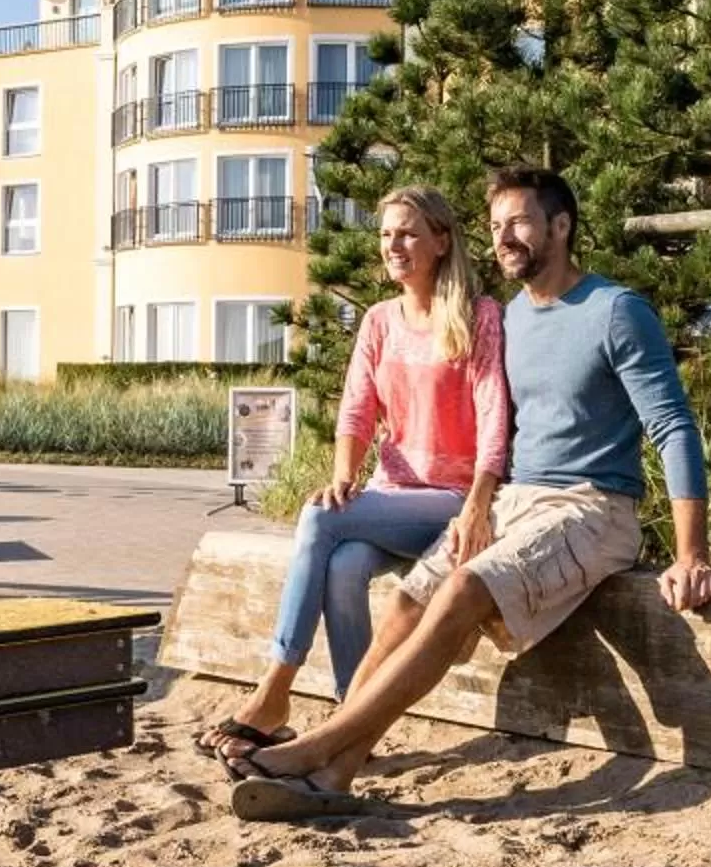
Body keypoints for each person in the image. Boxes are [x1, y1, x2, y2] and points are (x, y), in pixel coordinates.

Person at [228, 164, 711, 820]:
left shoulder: (617, 311)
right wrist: (479, 503)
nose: (503, 238)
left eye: (519, 222)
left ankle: (312, 746)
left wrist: (691, 554)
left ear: (561, 226)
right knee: (407, 601)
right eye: (494, 227)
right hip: (516, 500)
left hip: (594, 505)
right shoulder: (511, 316)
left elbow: (673, 426)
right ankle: (337, 773)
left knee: (462, 588)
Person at [194, 186, 507, 758]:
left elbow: (494, 419)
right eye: (386, 234)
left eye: (408, 233)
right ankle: (351, 722)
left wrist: (478, 504)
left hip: (452, 499)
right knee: (343, 565)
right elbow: (357, 410)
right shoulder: (379, 321)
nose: (394, 245)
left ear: (441, 241)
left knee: (319, 519)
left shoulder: (478, 316)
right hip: (393, 493)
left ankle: (274, 689)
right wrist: (344, 475)